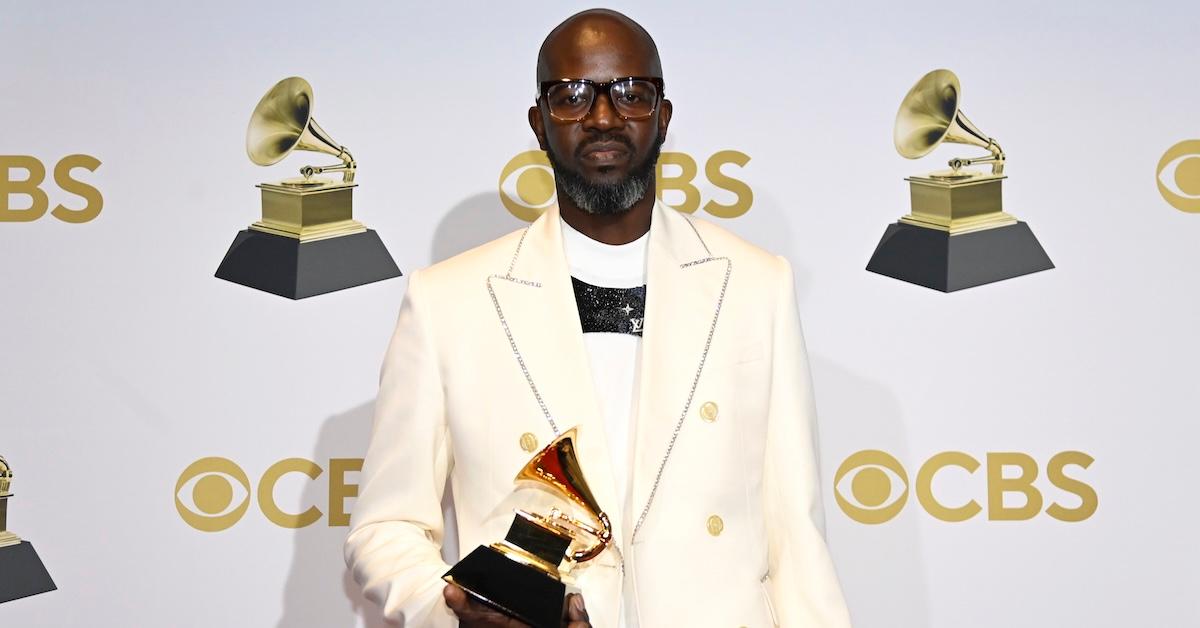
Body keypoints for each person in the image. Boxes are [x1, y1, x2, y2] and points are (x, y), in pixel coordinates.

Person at [345, 8, 853, 627]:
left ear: (663, 115)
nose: (603, 116)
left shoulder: (755, 284)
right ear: (539, 123)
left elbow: (796, 535)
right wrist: (455, 609)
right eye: (573, 95)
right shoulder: (447, 299)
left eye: (630, 93)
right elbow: (386, 526)